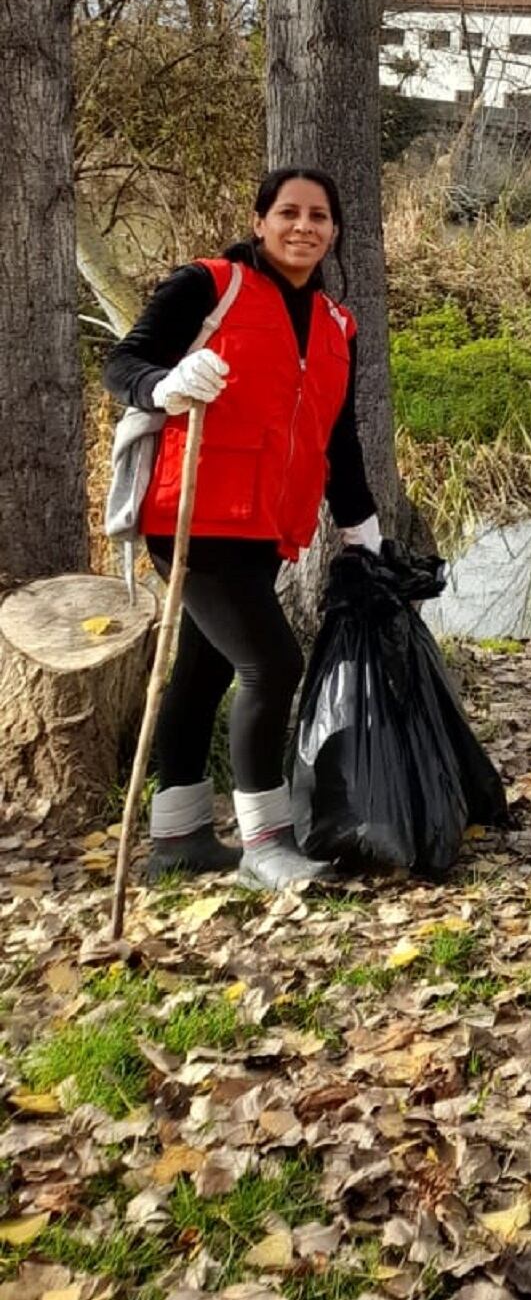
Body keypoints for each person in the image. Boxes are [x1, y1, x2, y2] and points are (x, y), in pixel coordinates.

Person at [105, 168, 384, 891]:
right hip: (192, 515)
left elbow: (339, 440)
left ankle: (179, 838)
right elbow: (125, 360)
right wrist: (161, 385)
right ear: (260, 222)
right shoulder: (209, 285)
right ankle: (265, 843)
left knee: (205, 670)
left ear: (334, 231)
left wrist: (361, 527)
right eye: (287, 212)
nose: (304, 226)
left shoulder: (335, 326)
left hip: (265, 526)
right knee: (272, 665)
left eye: (319, 215)